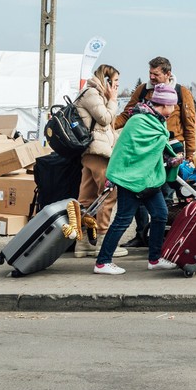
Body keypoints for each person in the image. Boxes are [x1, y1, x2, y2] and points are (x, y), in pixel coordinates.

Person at [92, 83, 183, 274]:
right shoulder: (138, 121)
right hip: (131, 179)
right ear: (164, 105)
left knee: (160, 215)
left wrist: (171, 159)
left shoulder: (158, 122)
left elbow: (155, 149)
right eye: (173, 105)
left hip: (150, 179)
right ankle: (102, 262)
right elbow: (125, 150)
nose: (174, 109)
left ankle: (155, 259)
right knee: (123, 220)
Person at [113, 56, 196, 247]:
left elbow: (189, 125)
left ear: (168, 74)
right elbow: (127, 114)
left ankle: (159, 239)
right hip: (145, 152)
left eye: (156, 74)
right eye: (150, 73)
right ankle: (142, 235)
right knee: (139, 191)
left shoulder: (181, 92)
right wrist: (107, 126)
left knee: (164, 195)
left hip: (170, 150)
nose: (151, 77)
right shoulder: (143, 90)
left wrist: (191, 154)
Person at [71, 64, 127, 259]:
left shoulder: (93, 94)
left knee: (86, 198)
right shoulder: (91, 94)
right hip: (98, 152)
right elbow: (104, 119)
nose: (117, 86)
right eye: (116, 81)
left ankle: (83, 244)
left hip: (92, 151)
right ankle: (103, 242)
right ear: (107, 80)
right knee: (108, 195)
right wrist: (113, 100)